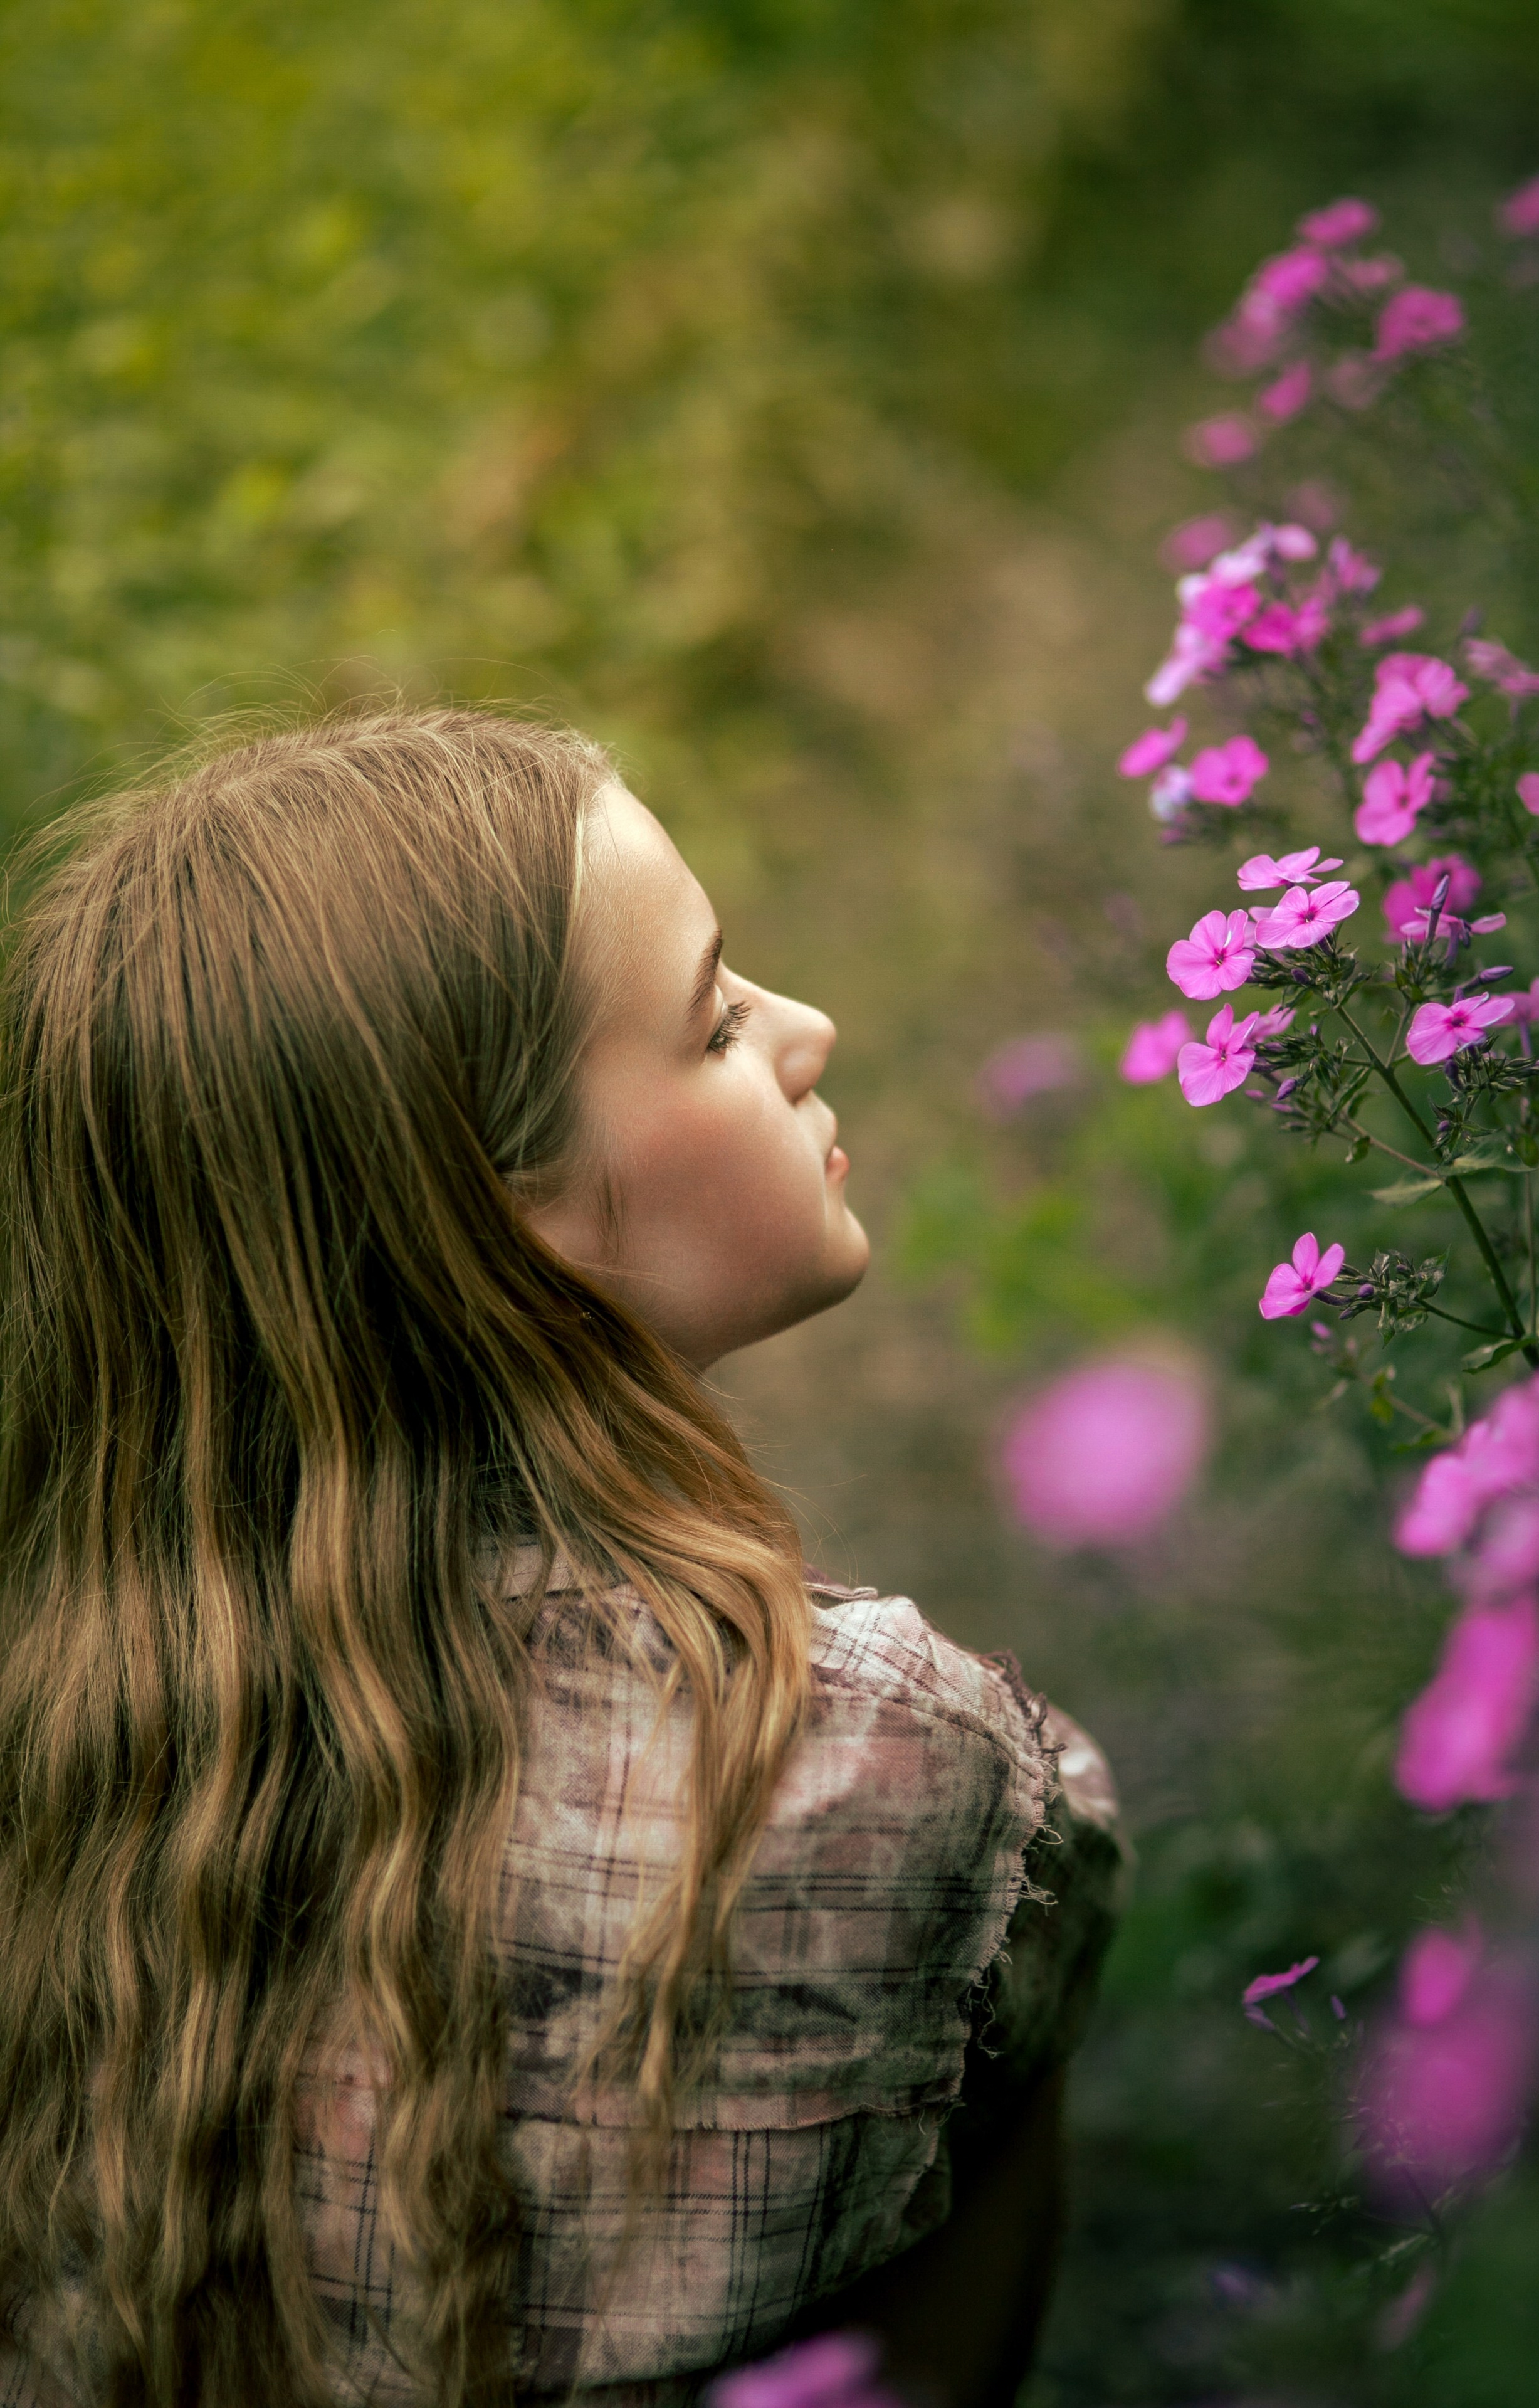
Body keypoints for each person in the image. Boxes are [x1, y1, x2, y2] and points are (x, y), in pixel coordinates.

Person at [0, 713, 1120, 2408]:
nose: (809, 1032)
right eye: (717, 1017)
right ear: (500, 1201)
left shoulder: (65, 1750)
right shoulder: (880, 1759)